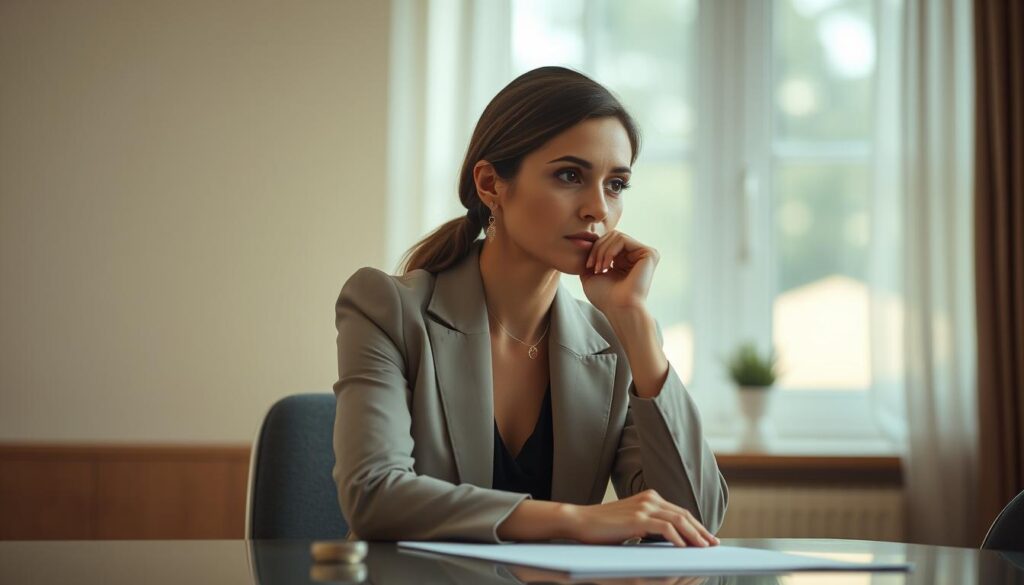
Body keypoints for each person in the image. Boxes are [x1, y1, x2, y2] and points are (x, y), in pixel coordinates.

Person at [332, 66, 728, 546]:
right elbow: (374, 495)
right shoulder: (387, 309)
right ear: (490, 184)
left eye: (616, 184)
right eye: (569, 175)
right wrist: (575, 520)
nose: (599, 209)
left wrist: (636, 324)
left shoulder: (614, 339)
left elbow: (695, 520)